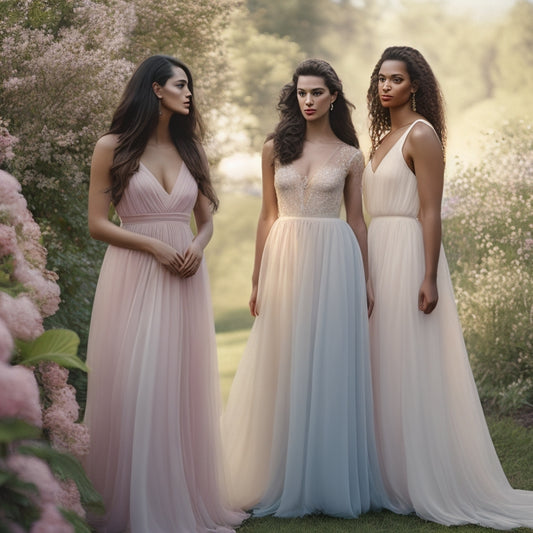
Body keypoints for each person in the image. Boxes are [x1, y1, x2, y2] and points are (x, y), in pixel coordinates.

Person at [363, 45, 533, 529]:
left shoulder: (421, 134)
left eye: (395, 79)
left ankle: (422, 475)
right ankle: (385, 473)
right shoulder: (380, 138)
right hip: (377, 250)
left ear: (415, 84)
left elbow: (430, 210)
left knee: (409, 359)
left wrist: (429, 274)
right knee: (382, 360)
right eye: (380, 78)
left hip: (408, 253)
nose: (385, 86)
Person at [83, 54, 246, 533]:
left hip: (186, 277)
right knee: (135, 382)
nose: (189, 92)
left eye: (189, 85)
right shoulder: (110, 147)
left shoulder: (190, 149)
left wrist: (196, 244)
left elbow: (207, 220)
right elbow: (96, 225)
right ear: (156, 89)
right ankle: (134, 502)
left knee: (180, 385)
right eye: (181, 84)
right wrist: (153, 243)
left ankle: (182, 499)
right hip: (133, 274)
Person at [221, 58, 391, 518]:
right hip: (285, 256)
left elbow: (357, 221)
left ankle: (324, 476)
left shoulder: (350, 155)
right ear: (294, 97)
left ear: (334, 96)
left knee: (329, 360)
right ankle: (278, 471)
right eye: (301, 93)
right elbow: (266, 215)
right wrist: (257, 277)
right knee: (285, 357)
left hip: (335, 259)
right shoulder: (275, 147)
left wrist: (367, 277)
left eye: (317, 93)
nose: (309, 101)